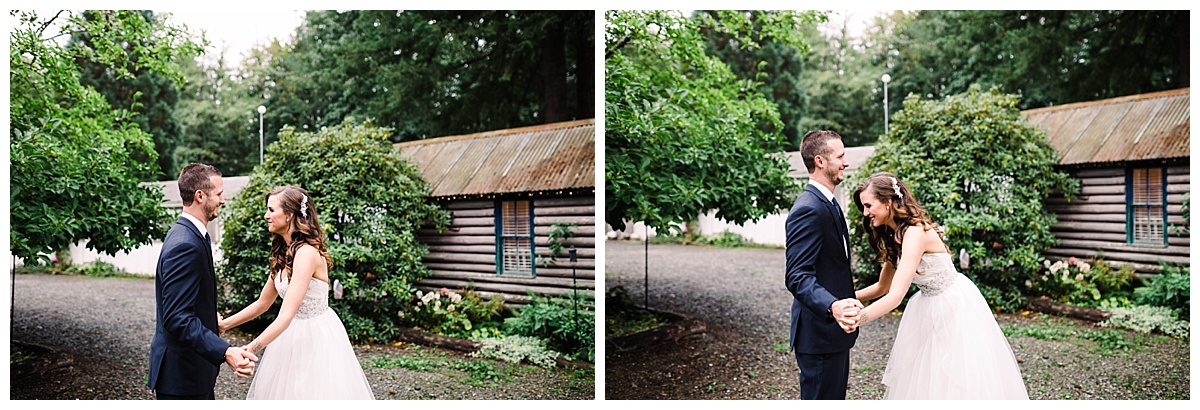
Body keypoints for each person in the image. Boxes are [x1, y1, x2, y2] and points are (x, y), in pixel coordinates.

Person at [848, 172, 1029, 399]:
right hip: (926, 305)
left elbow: (895, 296)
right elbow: (882, 287)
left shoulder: (915, 233)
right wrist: (846, 298)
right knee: (925, 374)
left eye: (868, 205)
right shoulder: (895, 235)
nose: (865, 213)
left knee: (953, 374)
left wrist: (858, 319)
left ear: (888, 202)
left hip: (952, 306)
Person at [219, 185, 375, 399]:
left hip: (315, 336)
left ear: (290, 215)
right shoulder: (282, 254)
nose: (266, 216)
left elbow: (285, 314)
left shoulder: (306, 254)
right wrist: (225, 325)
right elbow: (262, 304)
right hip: (289, 333)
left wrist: (252, 348)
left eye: (271, 210)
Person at [148, 163, 258, 400]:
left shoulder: (187, 233)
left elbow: (189, 301)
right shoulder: (186, 244)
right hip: (183, 377)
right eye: (218, 194)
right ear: (200, 196)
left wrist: (209, 317)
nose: (223, 200)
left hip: (191, 370)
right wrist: (226, 350)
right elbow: (177, 317)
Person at [784, 130, 862, 400]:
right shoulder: (809, 208)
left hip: (834, 333)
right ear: (820, 161)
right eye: (840, 156)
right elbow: (797, 276)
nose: (846, 162)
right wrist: (833, 305)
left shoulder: (828, 202)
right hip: (820, 334)